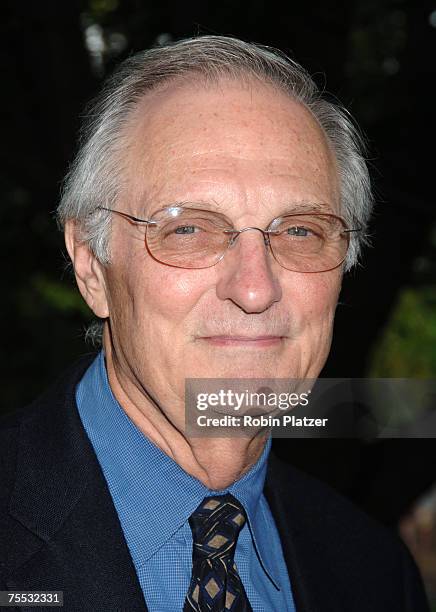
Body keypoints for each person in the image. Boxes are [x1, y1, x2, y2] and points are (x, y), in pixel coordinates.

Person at [0, 36, 429, 611]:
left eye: (300, 231)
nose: (255, 289)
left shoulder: (375, 574)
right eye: (188, 229)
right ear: (91, 266)